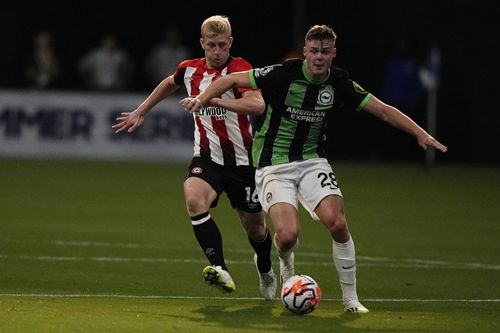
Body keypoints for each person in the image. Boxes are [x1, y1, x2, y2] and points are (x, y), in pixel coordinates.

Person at [181, 24, 448, 313]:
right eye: (314, 51)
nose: (319, 57)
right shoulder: (283, 73)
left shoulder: (339, 82)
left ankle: (351, 299)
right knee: (287, 236)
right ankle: (286, 266)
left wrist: (420, 133)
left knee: (338, 222)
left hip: (312, 160)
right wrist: (202, 99)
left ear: (334, 53)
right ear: (305, 52)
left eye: (325, 51)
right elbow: (230, 78)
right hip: (273, 163)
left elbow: (382, 109)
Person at [112, 15, 276, 300]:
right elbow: (169, 82)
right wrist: (142, 110)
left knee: (257, 229)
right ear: (202, 43)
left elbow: (257, 104)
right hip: (207, 158)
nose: (217, 52)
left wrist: (212, 99)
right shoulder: (189, 70)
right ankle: (220, 268)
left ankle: (265, 268)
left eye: (222, 45)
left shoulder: (240, 69)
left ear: (231, 43)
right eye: (211, 45)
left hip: (244, 162)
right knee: (194, 198)